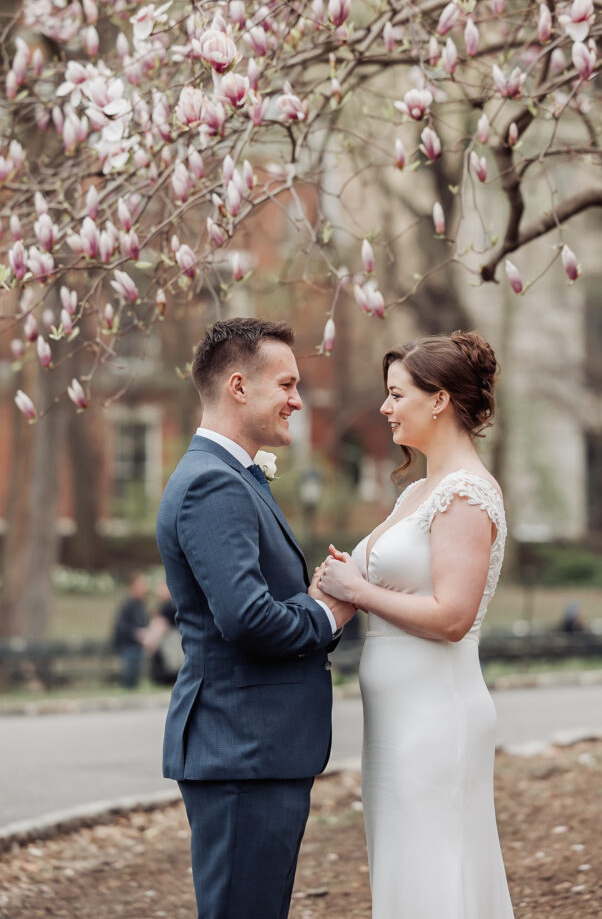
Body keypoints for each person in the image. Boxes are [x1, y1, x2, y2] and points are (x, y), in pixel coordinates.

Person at [156, 318, 355, 919]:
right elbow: (246, 619)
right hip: (242, 748)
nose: (298, 399)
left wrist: (313, 592)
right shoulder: (211, 485)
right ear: (239, 387)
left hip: (255, 748)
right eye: (287, 384)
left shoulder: (234, 477)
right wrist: (329, 610)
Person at [315, 331, 515, 918]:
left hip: (438, 717)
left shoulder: (466, 494)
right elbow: (367, 582)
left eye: (396, 394)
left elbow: (453, 616)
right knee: (406, 874)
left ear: (438, 400)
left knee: (437, 876)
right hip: (396, 723)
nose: (385, 407)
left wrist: (359, 590)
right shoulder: (415, 494)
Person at [112, 571, 150, 688]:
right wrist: (135, 633)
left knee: (136, 673)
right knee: (130, 673)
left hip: (138, 645)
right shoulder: (128, 604)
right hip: (128, 645)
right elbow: (120, 625)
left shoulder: (141, 604)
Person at [145, 582, 183, 686]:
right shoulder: (173, 604)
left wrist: (151, 641)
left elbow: (160, 625)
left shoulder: (168, 606)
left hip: (172, 640)